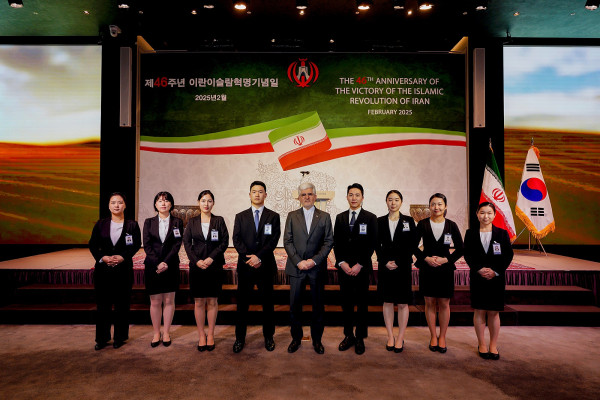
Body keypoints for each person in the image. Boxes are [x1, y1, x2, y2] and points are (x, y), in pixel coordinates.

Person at [283, 182, 334, 354]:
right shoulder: (292, 216)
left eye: (309, 194)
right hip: (296, 268)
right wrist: (299, 261)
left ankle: (317, 340)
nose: (306, 197)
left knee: (318, 307)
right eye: (303, 194)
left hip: (316, 269)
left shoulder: (324, 217)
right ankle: (295, 339)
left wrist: (314, 261)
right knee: (295, 306)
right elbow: (287, 241)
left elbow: (328, 242)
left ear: (315, 196)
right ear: (299, 197)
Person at [232, 181, 281, 353]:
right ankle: (240, 338)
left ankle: (269, 337)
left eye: (261, 191)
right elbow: (236, 239)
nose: (257, 194)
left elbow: (274, 240)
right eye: (254, 191)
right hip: (246, 266)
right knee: (242, 305)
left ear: (265, 195)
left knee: (268, 305)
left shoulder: (273, 216)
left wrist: (259, 257)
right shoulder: (240, 216)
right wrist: (250, 258)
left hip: (265, 266)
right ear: (249, 195)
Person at [89, 192, 141, 350]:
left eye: (120, 202)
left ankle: (120, 337)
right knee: (102, 305)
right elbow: (93, 244)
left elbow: (135, 244)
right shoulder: (101, 224)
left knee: (122, 305)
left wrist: (123, 257)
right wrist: (102, 257)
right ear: (108, 206)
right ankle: (102, 338)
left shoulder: (132, 225)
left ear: (125, 205)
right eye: (113, 202)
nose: (116, 205)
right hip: (103, 270)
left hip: (123, 270)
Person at [464, 202, 514, 360]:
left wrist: (495, 271)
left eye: (489, 213)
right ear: (477, 214)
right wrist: (478, 269)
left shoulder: (502, 234)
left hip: (496, 279)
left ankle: (493, 345)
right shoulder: (470, 233)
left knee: (493, 312)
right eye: (482, 213)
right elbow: (468, 254)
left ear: (494, 215)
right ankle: (482, 344)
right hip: (478, 277)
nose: (485, 216)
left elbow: (508, 255)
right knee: (479, 311)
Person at [414, 193, 463, 353]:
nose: (437, 207)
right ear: (429, 206)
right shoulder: (422, 224)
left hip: (445, 269)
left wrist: (446, 260)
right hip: (427, 268)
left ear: (445, 206)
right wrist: (425, 258)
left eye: (440, 204)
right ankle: (433, 336)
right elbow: (413, 246)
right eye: (433, 204)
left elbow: (461, 248)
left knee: (443, 303)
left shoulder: (451, 225)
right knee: (429, 302)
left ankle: (442, 336)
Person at [333, 183, 378, 355]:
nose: (354, 198)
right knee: (346, 304)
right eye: (351, 195)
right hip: (344, 269)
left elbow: (372, 243)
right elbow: (336, 243)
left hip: (362, 268)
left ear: (362, 198)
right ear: (347, 197)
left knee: (361, 304)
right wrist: (342, 263)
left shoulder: (371, 218)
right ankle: (348, 335)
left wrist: (360, 264)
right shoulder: (340, 218)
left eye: (357, 195)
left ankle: (360, 337)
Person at [183, 190, 229, 352]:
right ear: (198, 202)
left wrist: (211, 258)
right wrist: (196, 260)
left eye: (209, 201)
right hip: (197, 266)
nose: (206, 204)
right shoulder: (192, 221)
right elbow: (187, 243)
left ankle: (211, 334)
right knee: (199, 302)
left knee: (212, 301)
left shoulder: (219, 220)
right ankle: (201, 335)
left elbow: (224, 242)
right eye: (203, 201)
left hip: (214, 266)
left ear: (213, 203)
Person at [376, 190, 418, 353]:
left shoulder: (409, 221)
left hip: (403, 267)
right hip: (385, 267)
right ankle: (390, 336)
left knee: (402, 303)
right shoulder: (379, 221)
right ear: (386, 201)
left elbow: (413, 244)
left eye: (396, 200)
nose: (393, 203)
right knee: (387, 301)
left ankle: (400, 337)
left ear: (401, 202)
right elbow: (375, 244)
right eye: (390, 200)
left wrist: (399, 262)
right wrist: (384, 261)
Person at [142, 191, 183, 348]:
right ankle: (156, 332)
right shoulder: (149, 222)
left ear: (171, 204)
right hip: (153, 266)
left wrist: (166, 262)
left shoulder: (177, 222)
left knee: (169, 300)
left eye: (166, 201)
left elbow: (177, 244)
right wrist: (157, 263)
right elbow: (147, 245)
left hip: (171, 265)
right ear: (155, 204)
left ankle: (166, 332)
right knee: (155, 301)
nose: (163, 203)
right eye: (160, 201)